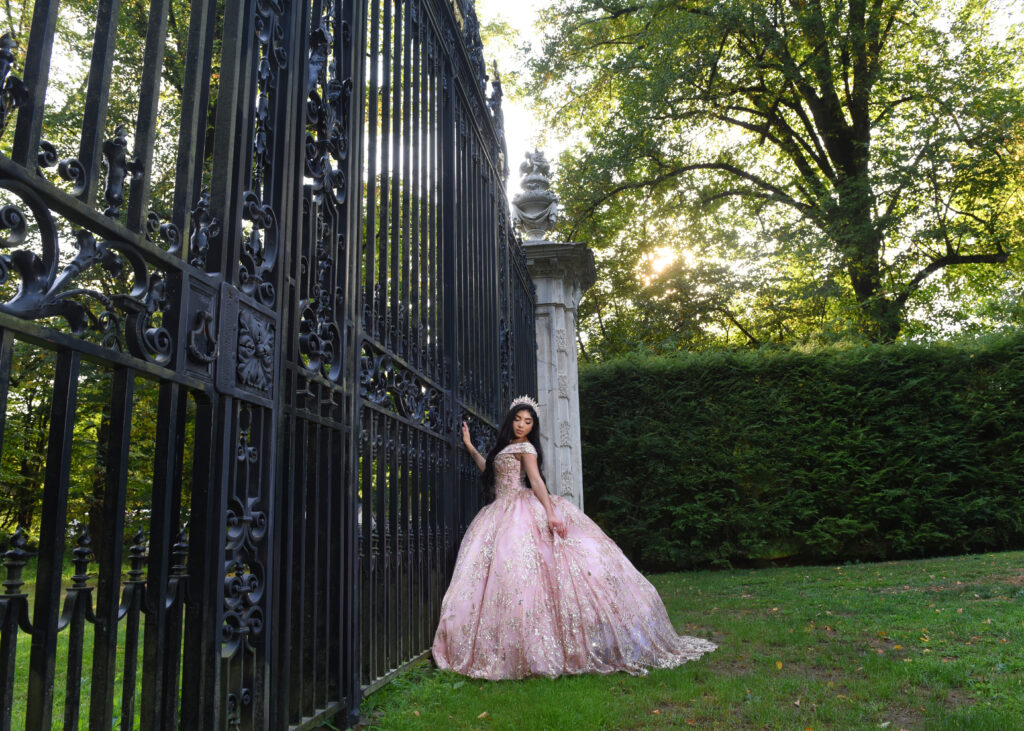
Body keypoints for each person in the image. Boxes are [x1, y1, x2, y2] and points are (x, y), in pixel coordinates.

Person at [432, 395, 716, 679]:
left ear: (533, 427)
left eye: (528, 422)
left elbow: (536, 481)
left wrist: (551, 513)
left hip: (520, 509)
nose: (522, 425)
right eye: (518, 419)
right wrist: (470, 448)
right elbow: (491, 473)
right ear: (510, 420)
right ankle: (507, 645)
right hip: (498, 512)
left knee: (526, 572)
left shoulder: (526, 448)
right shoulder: (504, 448)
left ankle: (537, 646)